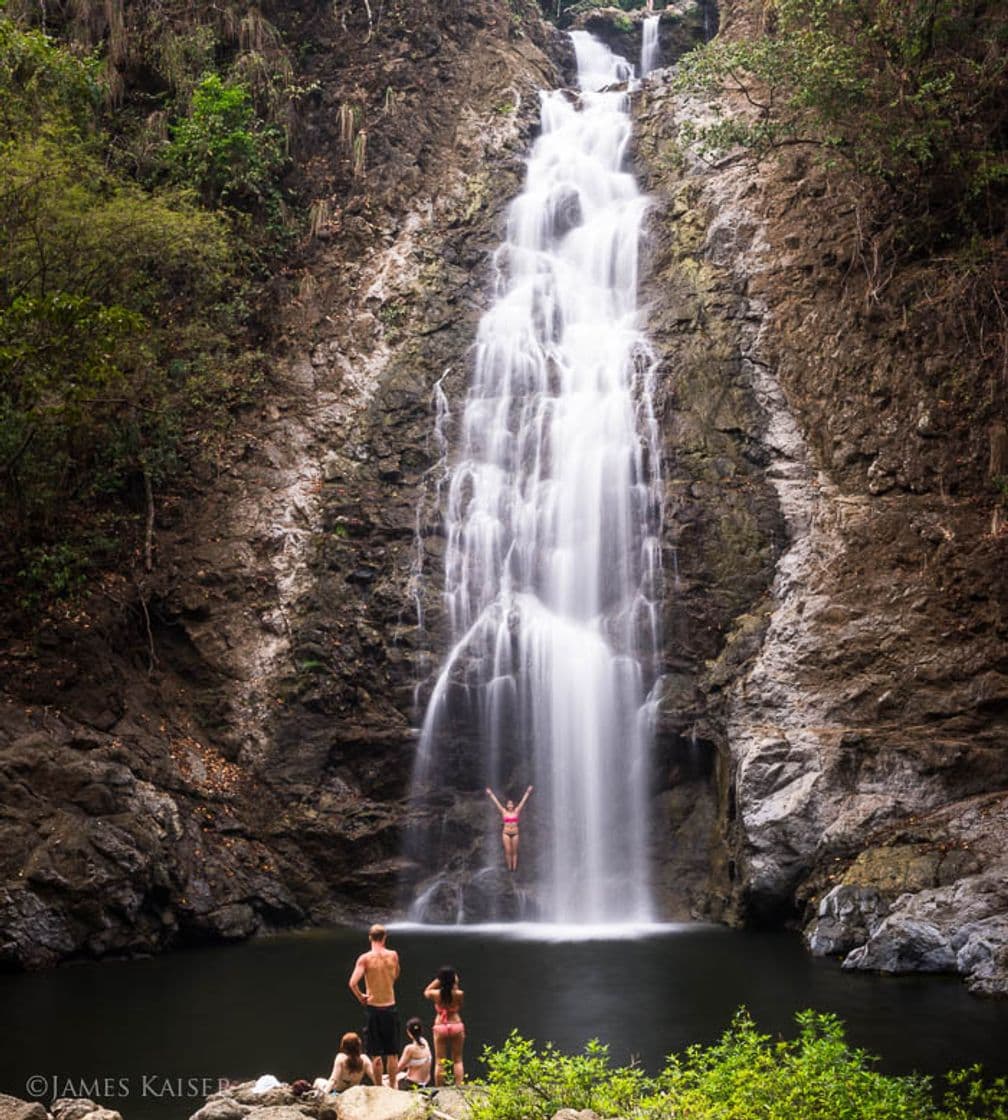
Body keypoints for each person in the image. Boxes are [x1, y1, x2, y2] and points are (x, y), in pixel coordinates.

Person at [348, 923, 401, 1088]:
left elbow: (352, 983)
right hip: (390, 1005)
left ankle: (379, 1087)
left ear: (370, 938)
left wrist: (361, 997)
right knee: (392, 1052)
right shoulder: (393, 955)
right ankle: (393, 1085)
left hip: (374, 1008)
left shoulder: (365, 959)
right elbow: (396, 974)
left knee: (376, 1054)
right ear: (385, 938)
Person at [424, 965, 465, 1087]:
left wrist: (438, 980)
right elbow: (459, 1005)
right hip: (456, 1025)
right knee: (457, 1059)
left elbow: (426, 991)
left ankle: (440, 1089)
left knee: (440, 1061)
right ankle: (459, 1086)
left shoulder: (435, 994)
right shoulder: (459, 994)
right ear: (454, 980)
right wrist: (454, 982)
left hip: (440, 1026)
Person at [485, 785, 533, 871]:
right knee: (508, 851)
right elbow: (497, 803)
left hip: (515, 833)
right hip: (506, 833)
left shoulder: (517, 811)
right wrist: (491, 794)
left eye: (511, 804)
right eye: (509, 804)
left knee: (514, 851)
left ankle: (514, 869)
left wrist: (528, 792)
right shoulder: (504, 812)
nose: (510, 805)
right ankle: (509, 868)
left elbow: (523, 801)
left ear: (513, 805)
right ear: (507, 805)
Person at [395, 1017, 431, 1089]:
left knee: (386, 1081)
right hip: (425, 1083)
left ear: (408, 1032)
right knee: (401, 1075)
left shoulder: (410, 1049)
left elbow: (398, 1069)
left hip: (412, 1084)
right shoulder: (424, 1042)